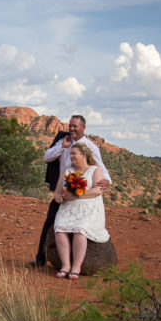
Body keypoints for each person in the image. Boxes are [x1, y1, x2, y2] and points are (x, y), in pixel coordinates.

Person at [28, 114, 111, 268]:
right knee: (49, 223)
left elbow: (102, 169)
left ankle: (76, 264)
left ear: (83, 128)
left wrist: (107, 181)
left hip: (81, 197)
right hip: (64, 192)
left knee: (79, 227)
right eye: (70, 125)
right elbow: (47, 157)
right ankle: (41, 259)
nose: (72, 129)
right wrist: (62, 147)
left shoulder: (91, 147)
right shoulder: (63, 141)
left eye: (75, 126)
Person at [53, 142, 110, 279]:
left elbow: (98, 190)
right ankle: (65, 265)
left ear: (84, 155)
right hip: (68, 207)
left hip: (89, 208)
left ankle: (76, 267)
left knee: (80, 229)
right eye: (71, 153)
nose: (71, 156)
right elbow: (57, 191)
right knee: (59, 228)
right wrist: (59, 198)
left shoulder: (95, 170)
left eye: (74, 153)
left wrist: (78, 195)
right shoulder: (67, 171)